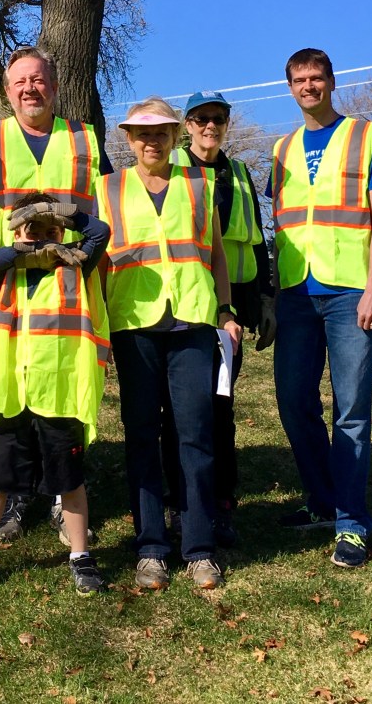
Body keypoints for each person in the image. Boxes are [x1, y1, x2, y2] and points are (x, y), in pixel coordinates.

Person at [0, 46, 110, 542]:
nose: (31, 88)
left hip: (69, 288)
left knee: (61, 393)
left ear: (54, 84)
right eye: (20, 81)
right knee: (13, 399)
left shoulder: (85, 140)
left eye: (39, 79)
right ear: (7, 92)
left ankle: (58, 496)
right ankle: (16, 497)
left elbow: (108, 205)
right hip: (6, 285)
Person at [96, 97, 240, 591]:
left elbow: (216, 252)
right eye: (142, 133)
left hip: (193, 322)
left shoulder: (202, 184)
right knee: (141, 435)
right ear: (129, 139)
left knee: (195, 434)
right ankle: (151, 547)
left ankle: (198, 548)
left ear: (176, 136)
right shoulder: (106, 189)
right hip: (133, 324)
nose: (151, 140)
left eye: (160, 132)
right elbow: (97, 264)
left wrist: (225, 311)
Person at [268, 48, 372, 569]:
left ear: (331, 81)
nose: (308, 87)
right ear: (290, 87)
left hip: (350, 294)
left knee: (350, 412)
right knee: (293, 402)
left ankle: (351, 523)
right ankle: (321, 502)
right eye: (299, 80)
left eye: (316, 78)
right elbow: (282, 226)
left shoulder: (368, 137)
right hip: (297, 295)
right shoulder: (281, 148)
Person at [0, 192, 110, 597]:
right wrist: (27, 243)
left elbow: (100, 232)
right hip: (13, 393)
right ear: (18, 230)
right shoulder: (7, 269)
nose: (43, 237)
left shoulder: (77, 263)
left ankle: (80, 555)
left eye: (50, 230)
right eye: (32, 228)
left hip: (60, 394)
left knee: (69, 480)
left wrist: (65, 217)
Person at [166, 90, 274, 546]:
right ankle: (179, 503)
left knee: (220, 407)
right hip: (177, 311)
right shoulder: (168, 170)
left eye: (219, 119)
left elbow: (254, 242)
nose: (211, 127)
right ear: (187, 125)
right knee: (176, 414)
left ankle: (221, 502)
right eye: (201, 119)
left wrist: (266, 301)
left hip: (225, 315)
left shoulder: (241, 174)